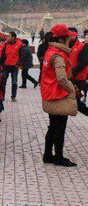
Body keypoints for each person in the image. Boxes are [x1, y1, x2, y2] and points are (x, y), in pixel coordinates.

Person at [40, 24, 78, 167]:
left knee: (53, 126)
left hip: (50, 92)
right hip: (58, 94)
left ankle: (48, 155)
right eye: (68, 37)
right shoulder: (58, 55)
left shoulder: (50, 51)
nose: (70, 39)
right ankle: (59, 157)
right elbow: (62, 78)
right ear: (63, 39)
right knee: (60, 127)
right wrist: (71, 90)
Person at [68, 28, 88, 116]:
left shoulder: (82, 46)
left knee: (77, 103)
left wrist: (72, 72)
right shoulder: (66, 45)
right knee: (72, 102)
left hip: (78, 79)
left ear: (74, 35)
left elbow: (83, 63)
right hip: (68, 78)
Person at [0, 31, 23, 101]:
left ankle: (13, 96)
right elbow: (3, 54)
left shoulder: (19, 44)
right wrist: (3, 63)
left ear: (13, 37)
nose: (7, 37)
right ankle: (2, 96)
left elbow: (22, 55)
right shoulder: (5, 44)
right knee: (3, 81)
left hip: (14, 66)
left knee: (14, 82)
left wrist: (18, 64)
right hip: (6, 66)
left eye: (9, 36)